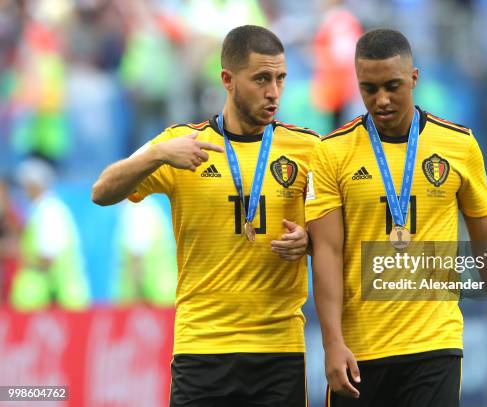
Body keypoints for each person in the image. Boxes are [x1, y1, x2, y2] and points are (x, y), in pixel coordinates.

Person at [92, 25, 319, 406]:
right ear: (227, 80)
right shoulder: (182, 143)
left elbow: (338, 237)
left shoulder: (308, 148)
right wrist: (157, 155)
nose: (273, 92)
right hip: (202, 348)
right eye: (261, 79)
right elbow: (102, 192)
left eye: (280, 78)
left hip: (279, 349)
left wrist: (310, 240)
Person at [306, 29, 487, 406]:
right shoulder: (331, 153)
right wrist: (332, 343)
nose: (381, 100)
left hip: (434, 345)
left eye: (392, 86)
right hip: (360, 353)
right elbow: (326, 252)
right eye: (369, 88)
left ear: (414, 78)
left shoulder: (458, 145)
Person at [10, 158, 90, 311]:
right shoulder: (44, 210)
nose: (23, 190)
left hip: (61, 303)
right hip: (60, 302)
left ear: (34, 185)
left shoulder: (49, 212)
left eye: (25, 184)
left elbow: (48, 259)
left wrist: (20, 258)